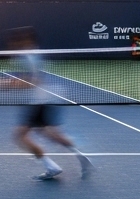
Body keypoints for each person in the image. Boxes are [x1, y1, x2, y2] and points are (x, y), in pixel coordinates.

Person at [5, 27, 94, 181]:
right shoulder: (33, 54)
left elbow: (32, 81)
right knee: (49, 134)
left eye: (17, 41)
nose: (14, 44)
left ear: (25, 41)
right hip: (47, 98)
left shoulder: (26, 56)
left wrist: (4, 85)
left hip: (41, 100)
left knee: (20, 135)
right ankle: (80, 156)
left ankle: (52, 166)